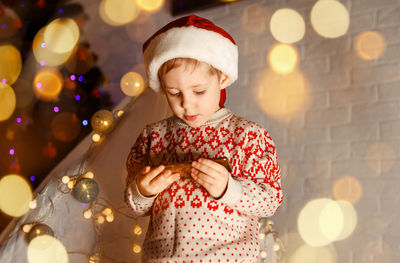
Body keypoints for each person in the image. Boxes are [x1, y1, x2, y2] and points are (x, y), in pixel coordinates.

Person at [124, 14, 282, 262]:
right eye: (174, 93)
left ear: (222, 78)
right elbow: (136, 206)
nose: (187, 104)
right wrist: (143, 191)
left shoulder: (248, 135)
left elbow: (270, 200)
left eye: (198, 91)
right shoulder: (153, 137)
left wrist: (229, 189)